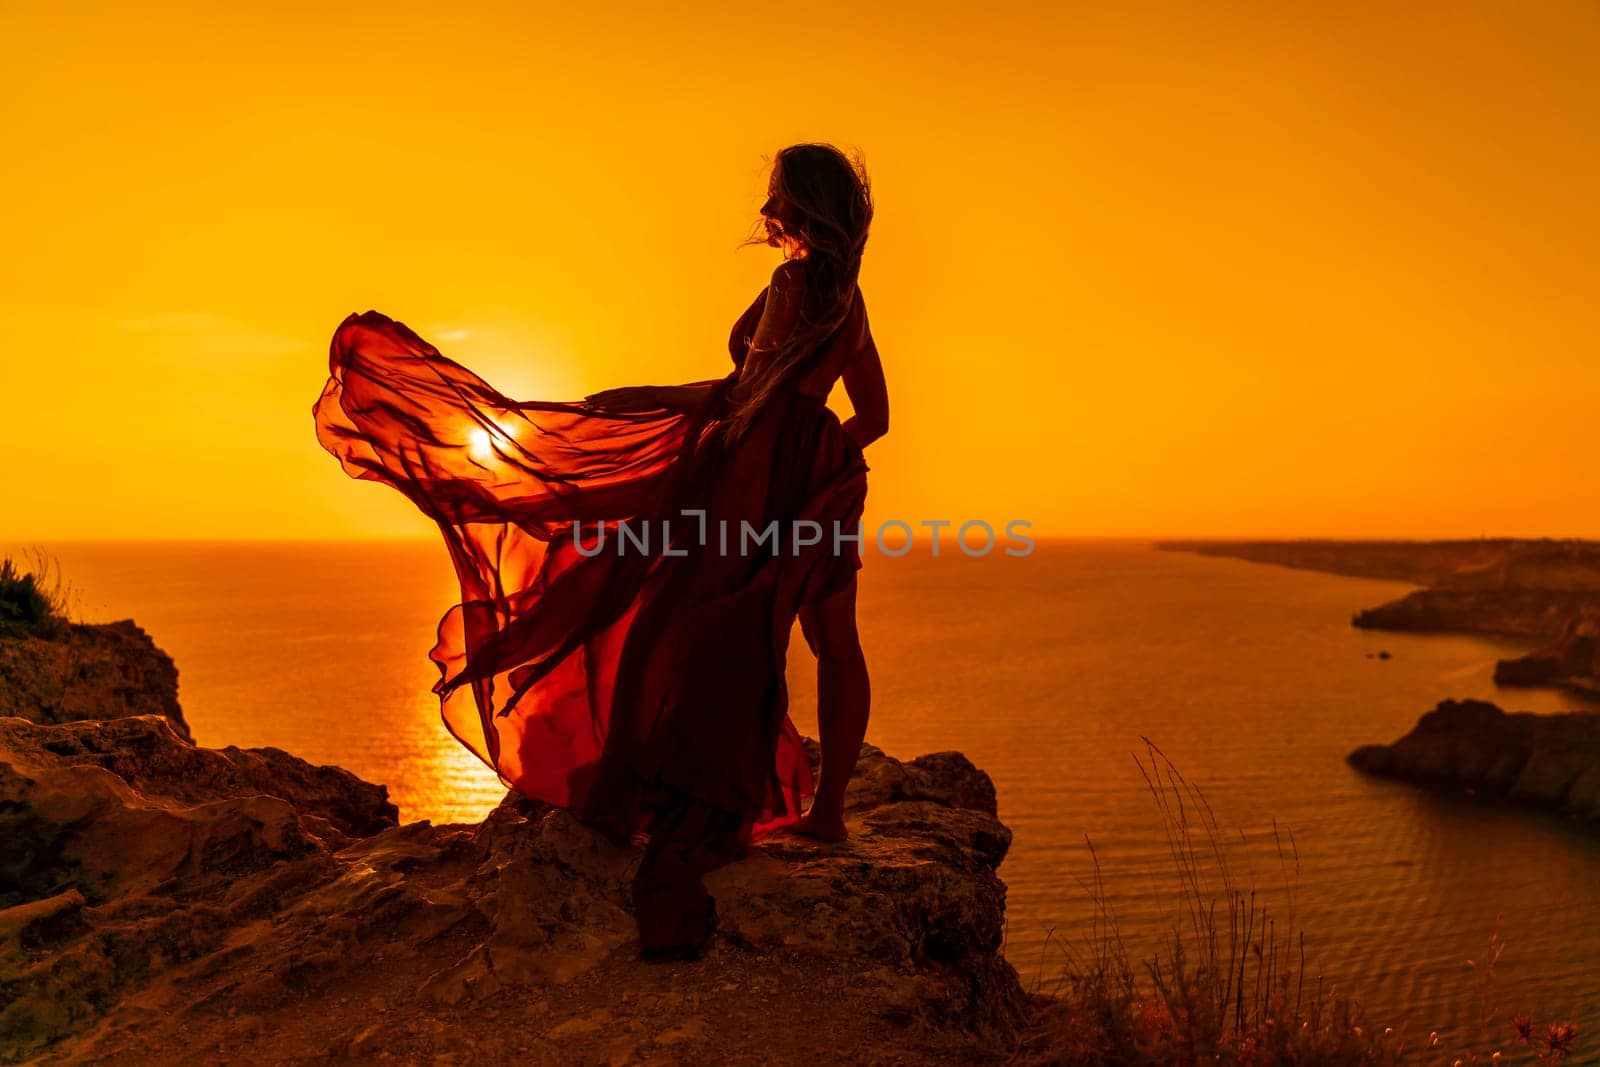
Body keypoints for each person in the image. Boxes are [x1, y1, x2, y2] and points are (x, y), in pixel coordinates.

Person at [312, 142, 888, 959]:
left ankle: (665, 784)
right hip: (822, 478)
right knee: (831, 644)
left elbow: (753, 395)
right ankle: (829, 812)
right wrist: (824, 458)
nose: (767, 207)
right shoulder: (851, 299)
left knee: (676, 624)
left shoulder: (791, 285)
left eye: (775, 195)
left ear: (795, 205)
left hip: (754, 471)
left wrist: (677, 413)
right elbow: (877, 415)